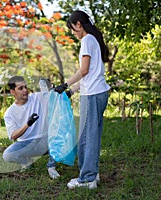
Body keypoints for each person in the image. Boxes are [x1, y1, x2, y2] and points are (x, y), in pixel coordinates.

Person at [54, 10, 110, 189]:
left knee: (86, 137)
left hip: (93, 96)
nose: (73, 33)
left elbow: (84, 71)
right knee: (91, 135)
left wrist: (64, 84)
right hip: (96, 93)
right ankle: (92, 173)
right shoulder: (93, 40)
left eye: (72, 29)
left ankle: (87, 179)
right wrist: (71, 91)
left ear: (78, 24)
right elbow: (90, 75)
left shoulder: (86, 40)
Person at [3, 76, 60, 179]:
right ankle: (27, 162)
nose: (25, 90)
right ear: (12, 92)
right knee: (7, 155)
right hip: (27, 144)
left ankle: (51, 166)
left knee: (61, 132)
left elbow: (55, 96)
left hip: (45, 140)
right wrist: (27, 124)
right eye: (20, 88)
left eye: (25, 87)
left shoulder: (38, 97)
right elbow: (13, 136)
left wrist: (52, 88)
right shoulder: (9, 113)